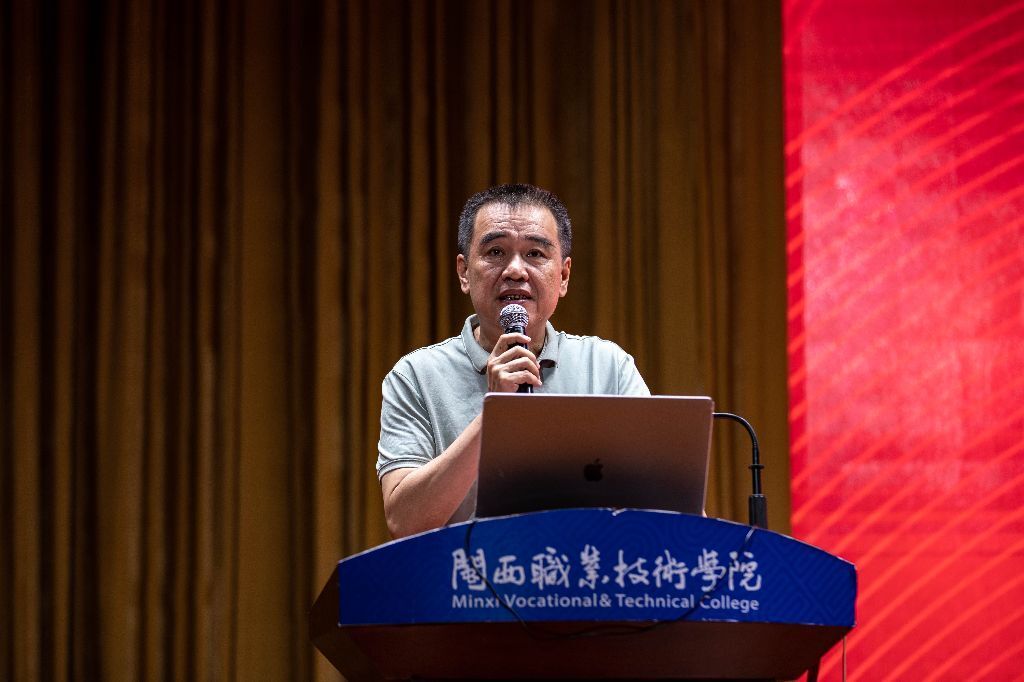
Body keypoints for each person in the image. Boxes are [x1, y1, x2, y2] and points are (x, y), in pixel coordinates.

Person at [377, 184, 649, 538]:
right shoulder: (416, 376)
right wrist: (493, 415)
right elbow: (404, 522)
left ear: (564, 276)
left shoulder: (608, 367)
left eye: (535, 253)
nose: (515, 270)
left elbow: (671, 506)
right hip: (471, 573)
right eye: (495, 252)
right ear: (464, 272)